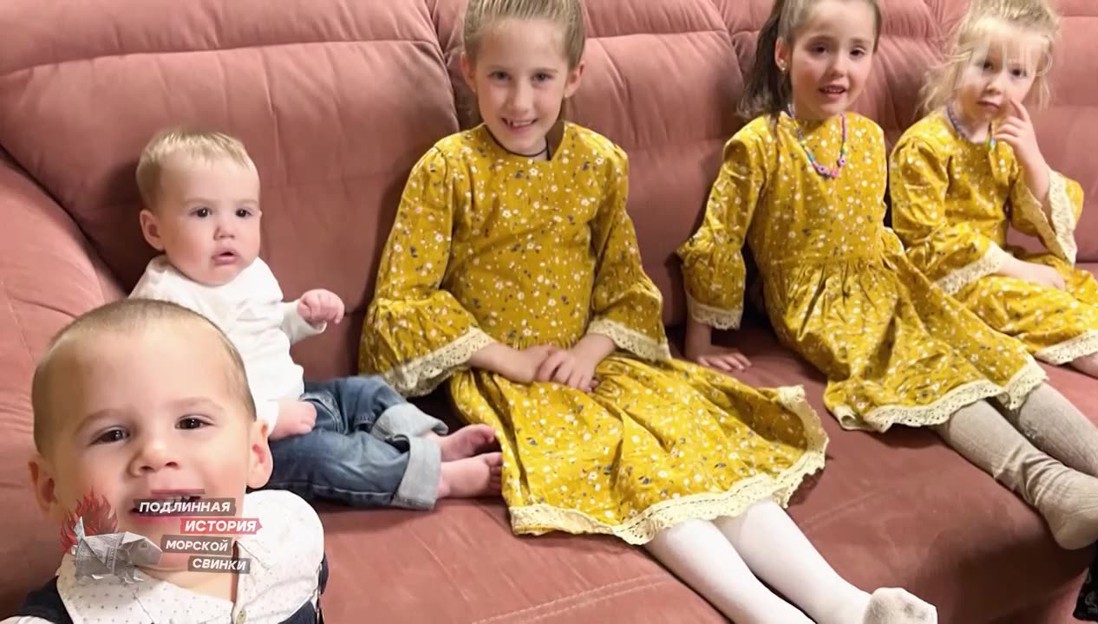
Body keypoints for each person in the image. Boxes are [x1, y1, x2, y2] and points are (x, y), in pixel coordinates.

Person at [361, 0, 935, 622]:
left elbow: (625, 286)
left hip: (602, 365)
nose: (520, 101)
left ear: (574, 76)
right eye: (501, 76)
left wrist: (591, 350)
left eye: (541, 77)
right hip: (516, 383)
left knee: (699, 448)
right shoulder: (447, 171)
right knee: (636, 467)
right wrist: (509, 360)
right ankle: (767, 615)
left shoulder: (598, 164)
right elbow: (403, 301)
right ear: (470, 71)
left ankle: (847, 604)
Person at [677, 0, 1098, 553]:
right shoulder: (759, 145)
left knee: (984, 348)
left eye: (857, 52)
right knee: (926, 369)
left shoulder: (864, 137)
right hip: (818, 301)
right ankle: (1051, 488)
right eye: (820, 49)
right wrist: (700, 341)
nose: (839, 68)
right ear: (784, 54)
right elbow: (717, 239)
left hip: (888, 278)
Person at [129, 128, 501, 511]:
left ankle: (430, 444)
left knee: (366, 393)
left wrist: (301, 316)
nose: (227, 230)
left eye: (242, 213)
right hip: (254, 446)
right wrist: (270, 418)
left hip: (303, 396)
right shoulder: (163, 304)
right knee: (330, 457)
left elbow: (265, 329)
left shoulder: (249, 272)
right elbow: (182, 402)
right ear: (155, 230)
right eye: (202, 212)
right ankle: (437, 479)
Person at [5, 299, 326, 623]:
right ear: (51, 489)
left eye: (191, 423)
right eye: (113, 434)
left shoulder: (292, 531)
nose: (156, 454)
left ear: (254, 453)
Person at [888, 0, 1098, 382]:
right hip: (948, 281)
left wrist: (1033, 160)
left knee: (1079, 286)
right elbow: (925, 244)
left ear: (1033, 81)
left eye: (1017, 73)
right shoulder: (924, 146)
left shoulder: (1003, 139)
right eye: (986, 65)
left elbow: (1032, 218)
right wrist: (1019, 271)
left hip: (1000, 265)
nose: (997, 85)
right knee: (1048, 307)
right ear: (960, 61)